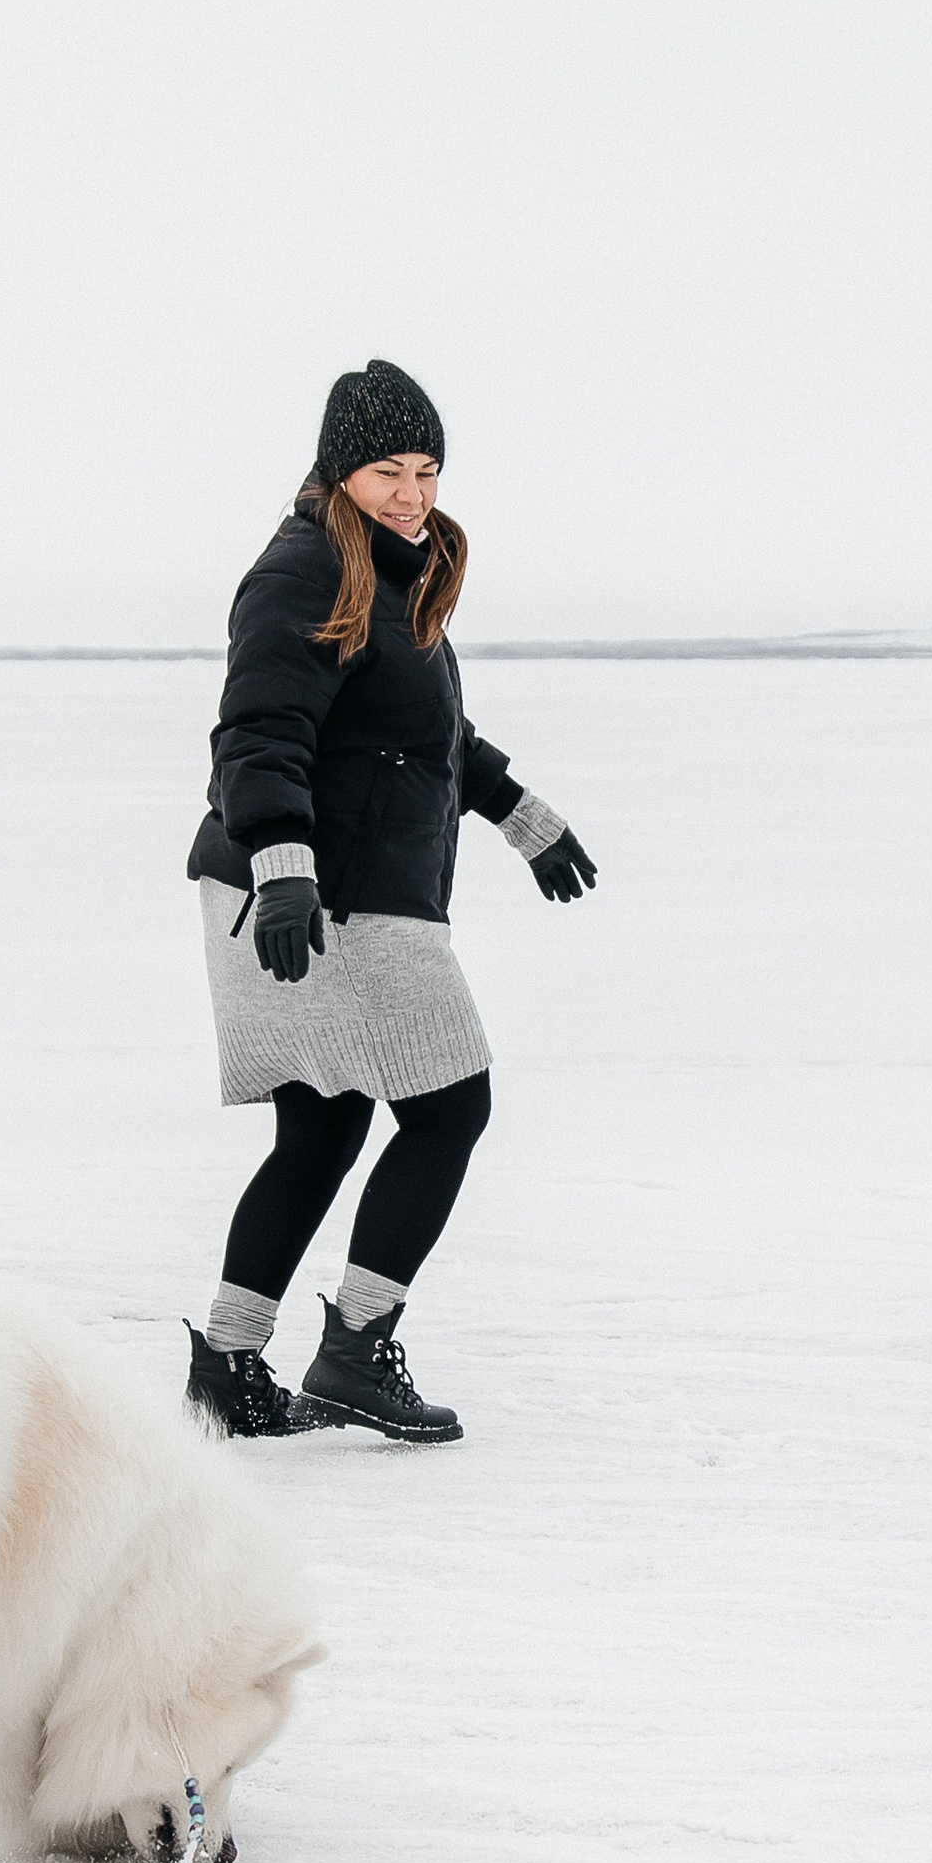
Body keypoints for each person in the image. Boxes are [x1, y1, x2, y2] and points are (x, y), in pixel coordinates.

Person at [183, 357, 597, 1445]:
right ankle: (356, 1351)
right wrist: (283, 864)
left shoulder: (385, 569)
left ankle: (230, 1365)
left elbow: (423, 738)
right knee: (449, 1107)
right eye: (387, 471)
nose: (412, 493)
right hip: (318, 894)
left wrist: (521, 817)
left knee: (323, 1128)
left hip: (328, 886)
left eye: (426, 470)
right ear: (337, 472)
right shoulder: (301, 573)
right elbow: (260, 733)